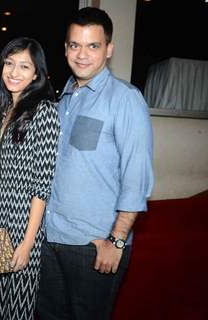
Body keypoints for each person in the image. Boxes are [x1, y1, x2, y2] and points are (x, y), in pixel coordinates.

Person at [37, 7, 154, 320]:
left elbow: (136, 177)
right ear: (65, 49)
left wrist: (116, 241)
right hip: (50, 240)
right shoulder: (61, 101)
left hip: (94, 244)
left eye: (93, 45)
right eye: (75, 45)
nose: (82, 54)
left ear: (109, 49)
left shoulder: (125, 98)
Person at [0, 37, 60, 320]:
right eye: (9, 63)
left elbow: (42, 186)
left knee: (13, 308)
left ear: (36, 73)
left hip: (20, 228)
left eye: (24, 66)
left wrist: (28, 242)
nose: (14, 72)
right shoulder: (4, 113)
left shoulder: (45, 113)